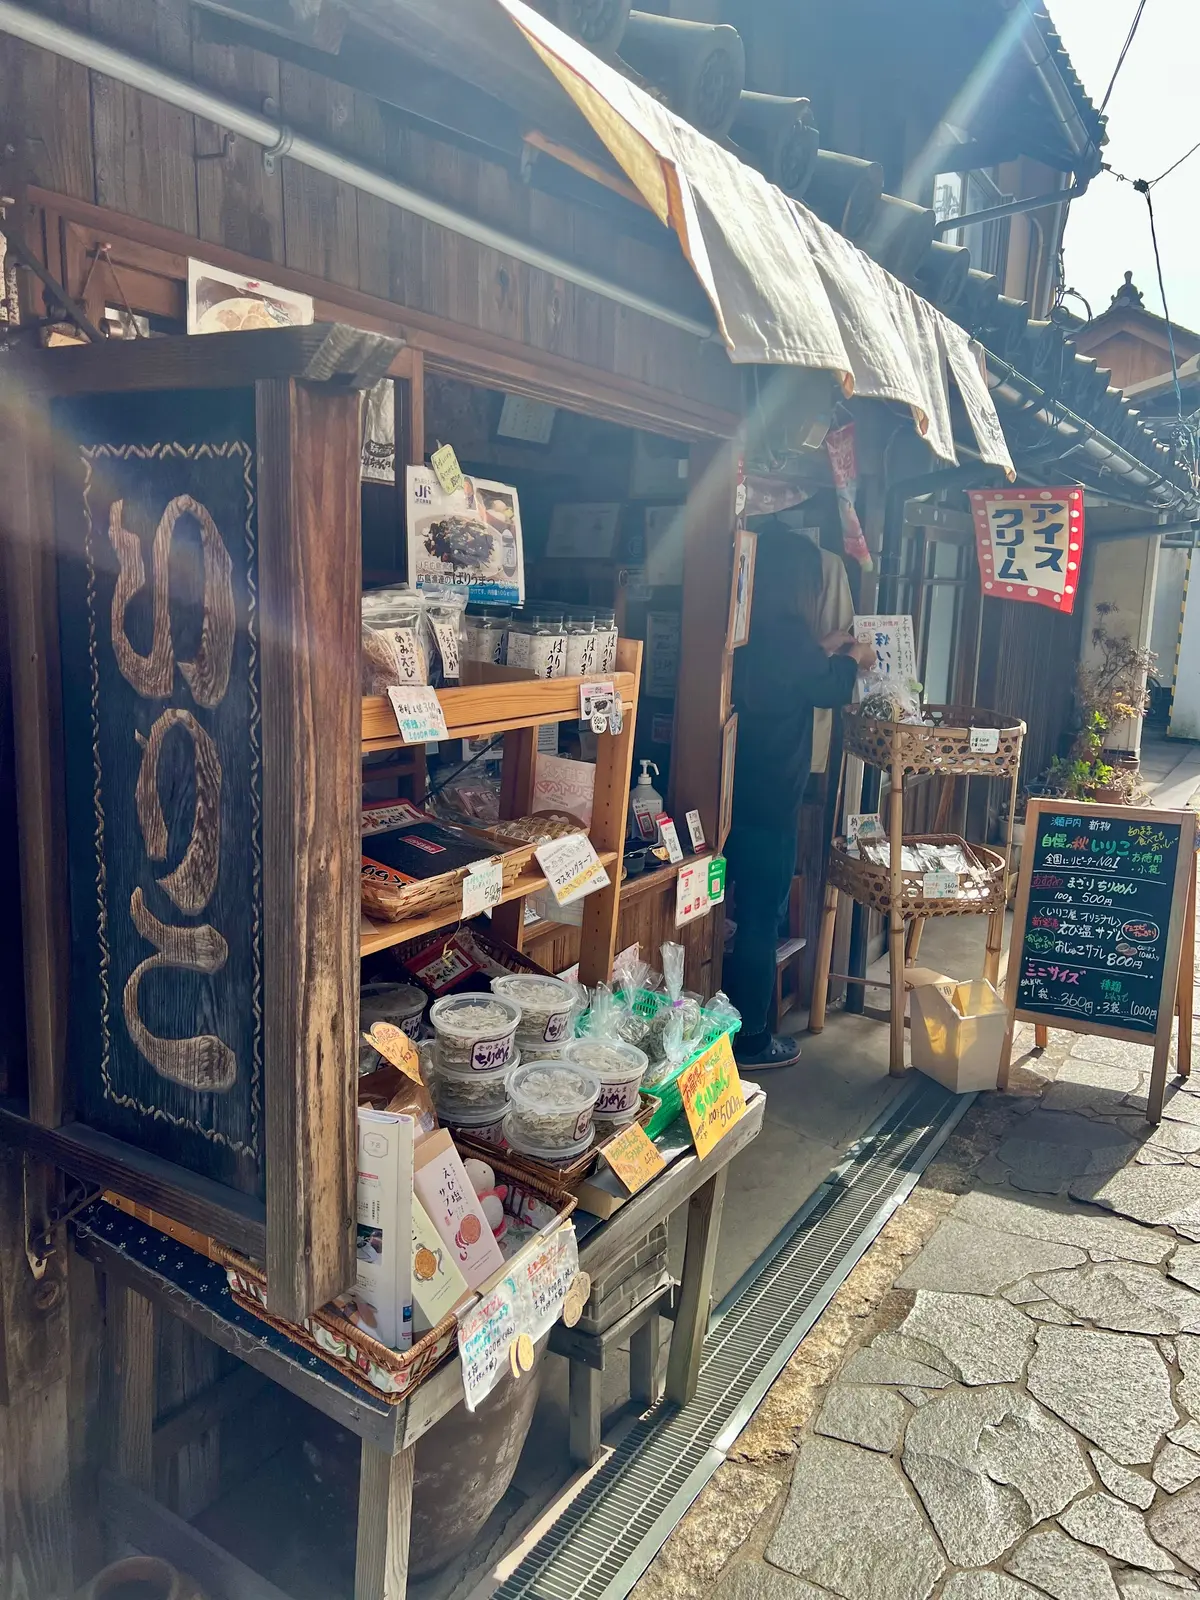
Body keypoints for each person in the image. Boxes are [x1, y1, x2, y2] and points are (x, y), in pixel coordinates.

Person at [724, 525, 873, 1070]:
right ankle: (751, 1040)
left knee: (719, 914)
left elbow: (800, 672)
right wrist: (855, 658)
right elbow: (829, 687)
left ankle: (712, 1029)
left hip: (725, 796)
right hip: (770, 803)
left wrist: (828, 649)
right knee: (760, 918)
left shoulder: (745, 628)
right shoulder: (789, 636)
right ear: (801, 586)